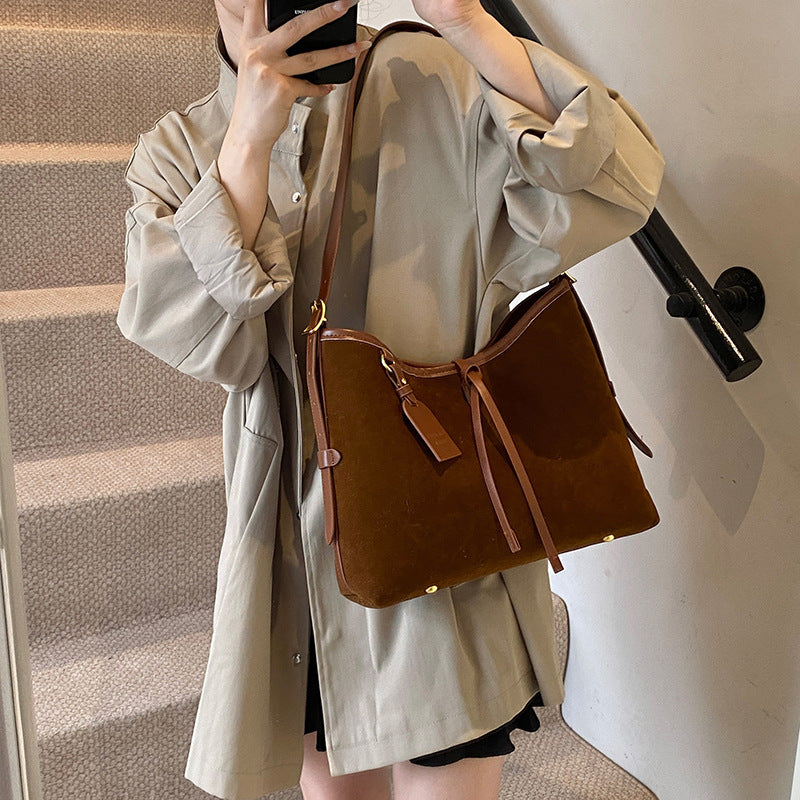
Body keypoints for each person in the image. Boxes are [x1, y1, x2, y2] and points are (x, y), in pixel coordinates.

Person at [116, 0, 665, 798]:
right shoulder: (177, 150)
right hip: (296, 548)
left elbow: (619, 185)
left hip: (441, 523)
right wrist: (248, 142)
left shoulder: (438, 81)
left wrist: (469, 24)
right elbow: (204, 344)